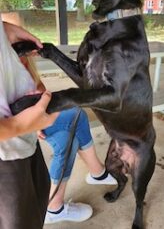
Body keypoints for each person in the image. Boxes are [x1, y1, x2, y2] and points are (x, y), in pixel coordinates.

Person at [22, 55, 117, 224]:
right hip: (12, 125)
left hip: (34, 113)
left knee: (68, 139)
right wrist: (33, 123)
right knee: (75, 113)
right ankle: (97, 172)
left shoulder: (19, 57)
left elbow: (39, 87)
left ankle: (54, 207)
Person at [0, 16, 58, 229]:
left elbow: (37, 84)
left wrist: (3, 31)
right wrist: (18, 125)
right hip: (6, 154)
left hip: (26, 142)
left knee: (39, 198)